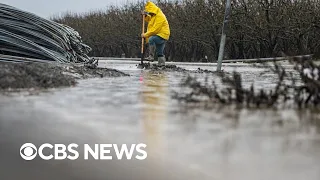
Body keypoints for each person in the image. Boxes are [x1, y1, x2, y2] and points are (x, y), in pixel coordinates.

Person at [141, 1, 170, 66]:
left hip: (162, 35)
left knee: (151, 39)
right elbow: (149, 19)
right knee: (160, 52)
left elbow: (155, 30)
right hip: (161, 35)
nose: (149, 13)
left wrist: (145, 35)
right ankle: (162, 65)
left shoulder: (160, 16)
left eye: (149, 12)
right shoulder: (154, 15)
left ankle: (151, 56)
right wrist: (145, 16)